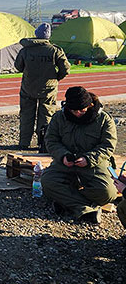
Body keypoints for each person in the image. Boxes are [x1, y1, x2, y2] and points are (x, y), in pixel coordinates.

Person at [41, 86, 117, 224]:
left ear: (90, 105)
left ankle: (65, 202)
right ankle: (85, 208)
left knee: (108, 193)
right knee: (47, 182)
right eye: (73, 110)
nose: (77, 114)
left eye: (81, 110)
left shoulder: (104, 119)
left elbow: (108, 146)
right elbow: (51, 141)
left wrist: (88, 159)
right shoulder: (59, 117)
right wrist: (63, 156)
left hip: (93, 164)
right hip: (66, 162)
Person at [14, 23, 70, 149]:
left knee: (26, 116)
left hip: (28, 86)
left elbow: (18, 67)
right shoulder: (55, 50)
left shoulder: (26, 50)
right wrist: (56, 78)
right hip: (48, 88)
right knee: (46, 115)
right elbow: (66, 68)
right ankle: (43, 143)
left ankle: (24, 143)